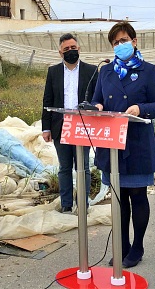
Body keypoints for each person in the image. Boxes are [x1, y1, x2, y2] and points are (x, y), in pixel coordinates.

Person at [91, 22, 155, 268]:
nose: (120, 45)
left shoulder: (148, 70)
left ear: (134, 41)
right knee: (119, 197)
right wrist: (98, 108)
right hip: (112, 143)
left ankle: (137, 246)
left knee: (137, 195)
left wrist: (140, 108)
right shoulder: (106, 72)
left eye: (124, 40)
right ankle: (122, 245)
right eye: (115, 43)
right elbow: (97, 100)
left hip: (137, 141)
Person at [41, 33, 98, 214]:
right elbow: (47, 100)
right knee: (65, 167)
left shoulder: (91, 71)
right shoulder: (53, 72)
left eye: (73, 48)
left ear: (79, 49)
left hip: (83, 126)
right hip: (61, 126)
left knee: (83, 167)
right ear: (60, 52)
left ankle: (83, 203)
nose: (71, 51)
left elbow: (97, 98)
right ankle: (66, 204)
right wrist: (46, 127)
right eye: (66, 49)